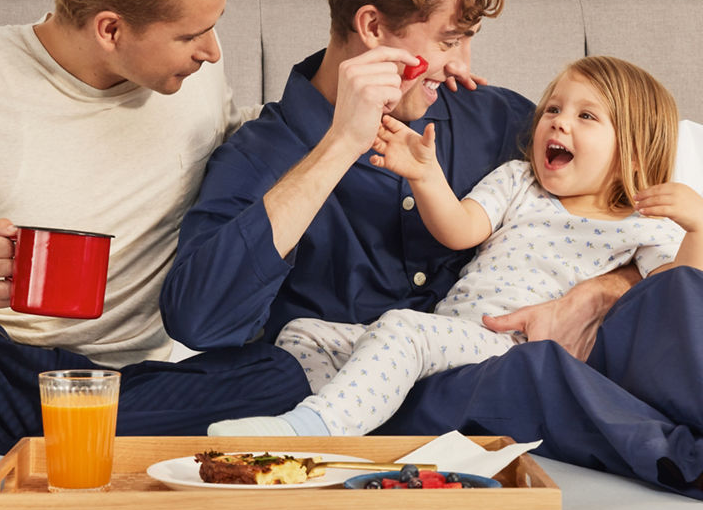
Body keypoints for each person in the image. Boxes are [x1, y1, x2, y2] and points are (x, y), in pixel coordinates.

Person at [163, 0, 703, 498]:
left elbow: (610, 208)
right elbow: (200, 320)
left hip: (491, 365)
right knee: (146, 401)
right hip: (339, 380)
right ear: (372, 29)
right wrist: (340, 144)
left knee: (656, 307)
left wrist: (595, 294)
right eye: (449, 41)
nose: (463, 65)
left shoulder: (497, 121)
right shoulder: (262, 154)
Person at [0, 0, 309, 455]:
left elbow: (239, 152)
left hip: (139, 383)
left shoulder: (191, 75)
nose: (213, 51)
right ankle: (59, 439)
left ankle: (64, 441)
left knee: (291, 374)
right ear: (110, 29)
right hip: (6, 370)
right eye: (191, 34)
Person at [208, 55, 703, 436]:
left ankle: (308, 432)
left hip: (511, 350)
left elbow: (664, 299)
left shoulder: (644, 225)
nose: (557, 122)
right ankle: (341, 425)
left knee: (404, 329)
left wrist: (698, 231)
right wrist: (426, 176)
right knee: (304, 333)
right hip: (453, 333)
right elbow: (461, 228)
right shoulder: (520, 181)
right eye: (554, 108)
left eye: (586, 116)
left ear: (634, 148)